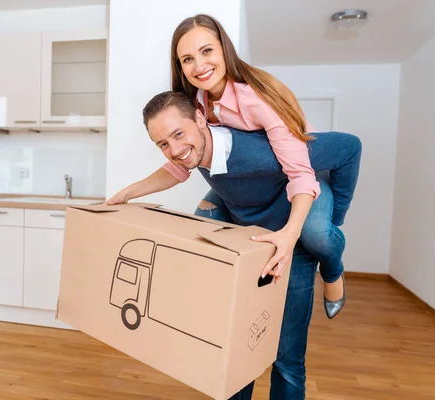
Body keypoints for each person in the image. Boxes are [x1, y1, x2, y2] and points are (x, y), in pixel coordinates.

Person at [108, 14, 360, 319]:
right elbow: (181, 164)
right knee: (203, 220)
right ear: (180, 67)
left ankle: (333, 272)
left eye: (206, 51)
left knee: (317, 233)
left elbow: (298, 172)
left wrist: (290, 234)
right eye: (187, 59)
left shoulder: (256, 98)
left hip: (301, 162)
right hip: (250, 177)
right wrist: (128, 193)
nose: (199, 66)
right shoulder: (195, 103)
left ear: (224, 49)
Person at [134, 90, 361, 399]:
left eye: (178, 134)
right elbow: (176, 170)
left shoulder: (262, 151)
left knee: (287, 359)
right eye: (163, 143)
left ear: (200, 119)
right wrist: (125, 195)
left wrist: (337, 217)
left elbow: (349, 147)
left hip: (291, 238)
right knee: (241, 353)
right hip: (252, 237)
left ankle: (333, 269)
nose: (174, 149)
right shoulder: (195, 148)